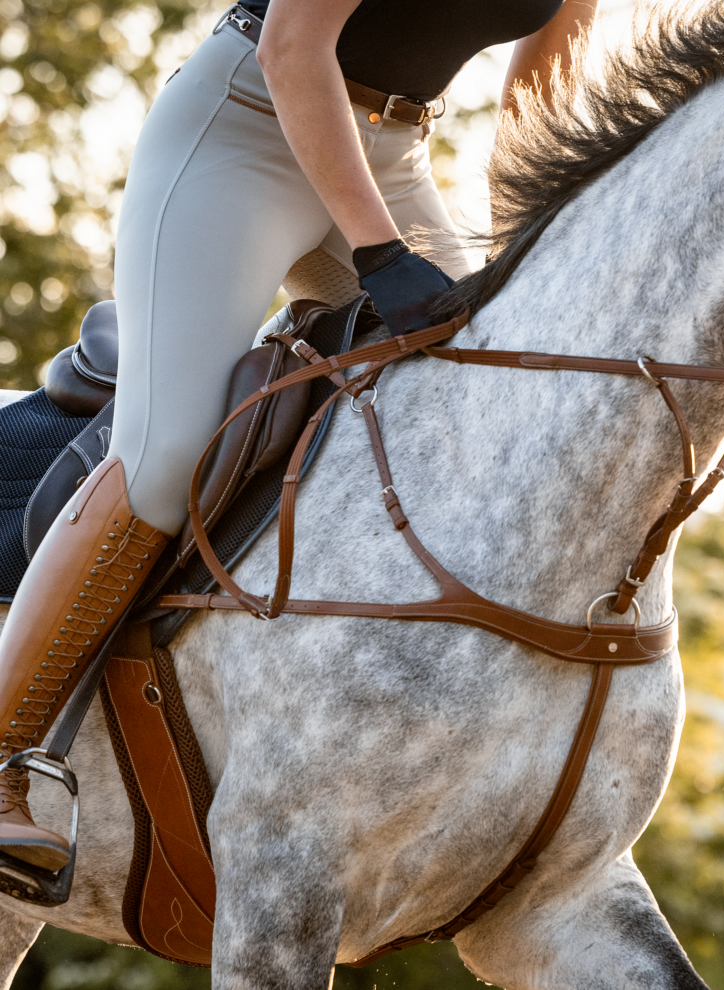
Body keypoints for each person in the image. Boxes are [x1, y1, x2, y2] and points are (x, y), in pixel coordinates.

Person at [0, 0, 597, 871]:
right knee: (167, 456)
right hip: (246, 125)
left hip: (392, 156)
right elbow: (292, 46)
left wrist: (534, 247)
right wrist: (382, 258)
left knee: (502, 413)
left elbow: (543, 91)